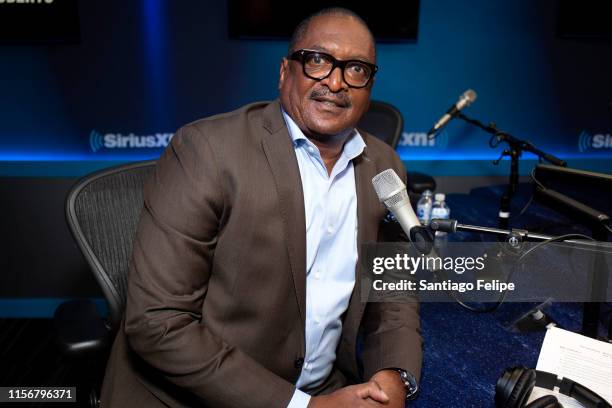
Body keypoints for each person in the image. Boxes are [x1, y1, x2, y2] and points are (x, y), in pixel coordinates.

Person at [101, 7, 421, 408]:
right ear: (285, 71)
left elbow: (393, 295)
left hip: (323, 389)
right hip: (192, 397)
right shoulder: (208, 151)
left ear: (369, 85)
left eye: (355, 69)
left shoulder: (384, 166)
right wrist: (302, 407)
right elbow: (157, 323)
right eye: (318, 61)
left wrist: (395, 374)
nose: (336, 83)